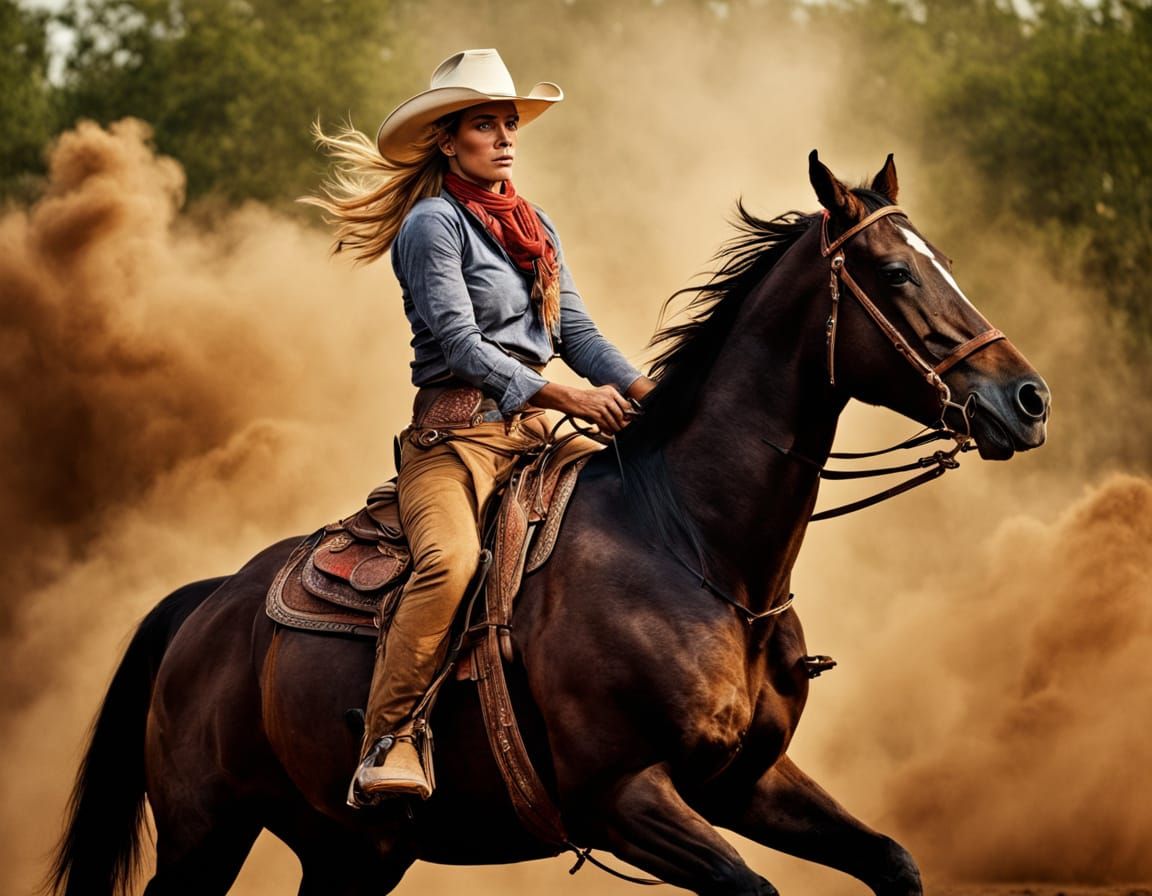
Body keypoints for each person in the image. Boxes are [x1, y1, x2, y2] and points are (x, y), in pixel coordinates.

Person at [307, 49, 655, 803]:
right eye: (484, 125)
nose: (504, 137)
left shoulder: (534, 224)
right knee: (449, 564)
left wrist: (639, 385)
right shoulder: (433, 225)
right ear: (445, 139)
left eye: (509, 123)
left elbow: (579, 333)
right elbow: (460, 342)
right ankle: (389, 740)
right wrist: (567, 398)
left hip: (535, 438)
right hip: (456, 443)